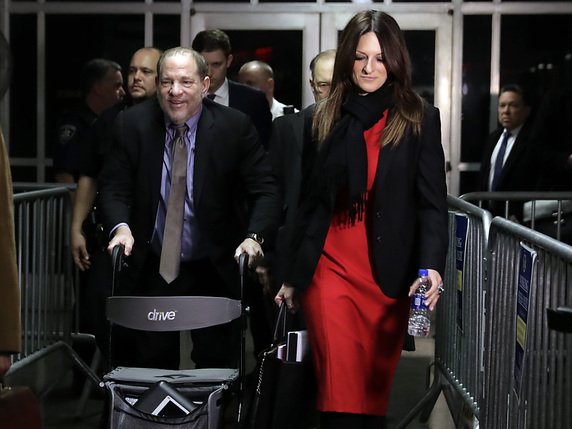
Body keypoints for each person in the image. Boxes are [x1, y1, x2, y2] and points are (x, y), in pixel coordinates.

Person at [274, 11, 449, 429]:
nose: (370, 68)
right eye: (360, 57)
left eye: (379, 58)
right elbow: (310, 204)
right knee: (338, 393)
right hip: (329, 270)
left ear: (395, 60)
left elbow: (431, 204)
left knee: (371, 399)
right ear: (348, 60)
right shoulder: (324, 118)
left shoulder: (418, 117)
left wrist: (433, 268)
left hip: (386, 277)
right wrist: (294, 274)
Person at [98, 47, 279, 370]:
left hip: (214, 263)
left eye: (185, 82)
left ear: (205, 85)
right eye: (167, 82)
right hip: (152, 263)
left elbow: (265, 190)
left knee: (216, 364)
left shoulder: (233, 127)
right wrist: (120, 227)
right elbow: (114, 188)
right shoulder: (132, 125)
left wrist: (254, 237)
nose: (175, 92)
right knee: (150, 362)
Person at [70, 47, 162, 364]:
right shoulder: (110, 119)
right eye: (132, 70)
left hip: (156, 243)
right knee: (102, 316)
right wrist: (75, 229)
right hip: (111, 238)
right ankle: (116, 398)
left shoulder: (173, 119)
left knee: (153, 331)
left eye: (145, 72)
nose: (136, 77)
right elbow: (88, 176)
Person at [191, 29, 272, 149]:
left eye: (216, 64)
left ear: (229, 61)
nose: (209, 72)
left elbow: (264, 149)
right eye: (203, 65)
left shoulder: (254, 101)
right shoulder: (181, 98)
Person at [53, 58, 125, 183]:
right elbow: (64, 175)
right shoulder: (75, 125)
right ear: (98, 88)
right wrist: (79, 202)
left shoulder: (114, 122)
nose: (122, 92)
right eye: (117, 86)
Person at [478, 84, 536, 219]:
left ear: (526, 110)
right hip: (489, 218)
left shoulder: (533, 141)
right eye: (502, 105)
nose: (506, 111)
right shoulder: (493, 138)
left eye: (513, 105)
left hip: (518, 220)